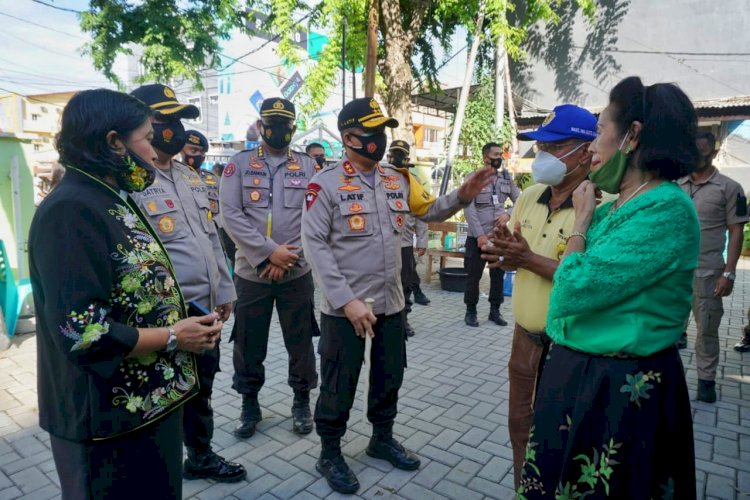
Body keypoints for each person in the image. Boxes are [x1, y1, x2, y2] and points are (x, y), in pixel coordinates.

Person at [28, 88, 222, 499]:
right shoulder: (71, 210)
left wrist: (187, 317)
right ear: (114, 142)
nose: (156, 152)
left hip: (150, 406)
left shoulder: (112, 197)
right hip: (103, 420)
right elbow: (84, 332)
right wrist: (174, 336)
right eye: (148, 138)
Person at [517, 77, 700, 499]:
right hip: (580, 378)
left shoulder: (665, 209)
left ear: (632, 135)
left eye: (600, 129)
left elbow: (572, 289)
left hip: (619, 392)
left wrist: (580, 223)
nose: (593, 146)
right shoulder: (620, 205)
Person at [301, 97, 495, 495]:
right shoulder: (326, 184)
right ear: (349, 137)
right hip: (346, 309)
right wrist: (345, 300)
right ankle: (330, 451)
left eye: (382, 132)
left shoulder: (398, 179)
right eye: (371, 132)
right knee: (340, 381)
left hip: (390, 303)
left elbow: (430, 212)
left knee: (391, 375)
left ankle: (381, 438)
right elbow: (314, 245)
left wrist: (462, 194)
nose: (379, 139)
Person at [129, 85, 245, 483]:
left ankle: (199, 455)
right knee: (161, 392)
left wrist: (224, 290)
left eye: (179, 120)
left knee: (200, 388)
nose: (176, 130)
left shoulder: (192, 178)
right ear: (141, 123)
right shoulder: (131, 182)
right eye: (166, 121)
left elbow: (211, 238)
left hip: (203, 306)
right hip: (161, 317)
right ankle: (155, 465)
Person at [481, 104, 597, 488]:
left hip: (569, 349)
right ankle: (522, 492)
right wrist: (504, 253)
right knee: (519, 428)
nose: (541, 156)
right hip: (523, 341)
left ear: (584, 151)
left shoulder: (601, 204)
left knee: (561, 440)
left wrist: (526, 258)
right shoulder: (530, 195)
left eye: (552, 146)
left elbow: (587, 281)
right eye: (540, 147)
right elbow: (517, 253)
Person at [219, 98, 319, 439]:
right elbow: (230, 215)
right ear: (261, 127)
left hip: (297, 271)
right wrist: (266, 255)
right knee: (248, 342)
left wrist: (289, 256)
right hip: (251, 273)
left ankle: (302, 400)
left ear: (294, 128)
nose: (279, 130)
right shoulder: (239, 165)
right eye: (271, 123)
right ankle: (250, 403)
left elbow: (317, 217)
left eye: (286, 125)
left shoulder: (308, 167)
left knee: (301, 340)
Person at [677, 131, 747, 401]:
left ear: (714, 154)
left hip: (707, 273)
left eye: (703, 153)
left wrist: (728, 273)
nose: (696, 158)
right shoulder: (676, 185)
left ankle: (706, 381)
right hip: (674, 273)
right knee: (667, 327)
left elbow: (736, 231)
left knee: (706, 330)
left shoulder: (729, 188)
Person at [463, 143, 520, 327]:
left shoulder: (505, 178)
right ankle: (470, 311)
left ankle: (495, 311)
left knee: (498, 275)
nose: (499, 157)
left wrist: (508, 214)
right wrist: (480, 235)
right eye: (495, 154)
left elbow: (520, 199)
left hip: (498, 236)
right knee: (474, 276)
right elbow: (469, 209)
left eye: (500, 154)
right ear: (485, 157)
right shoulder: (473, 178)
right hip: (477, 237)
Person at [387, 140, 429, 338]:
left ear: (407, 158)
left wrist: (422, 241)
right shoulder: (379, 177)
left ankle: (403, 320)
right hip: (383, 243)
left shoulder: (413, 181)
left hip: (404, 244)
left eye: (400, 154)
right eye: (393, 153)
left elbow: (421, 214)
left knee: (405, 284)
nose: (395, 158)